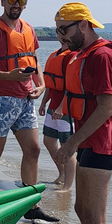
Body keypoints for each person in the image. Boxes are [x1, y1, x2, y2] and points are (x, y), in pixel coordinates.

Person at [0, 0, 56, 222]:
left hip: (25, 99)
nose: (16, 5)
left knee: (34, 149)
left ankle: (31, 206)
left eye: (21, 1)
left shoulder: (28, 28)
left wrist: (41, 85)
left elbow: (34, 59)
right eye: (12, 1)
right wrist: (8, 76)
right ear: (3, 1)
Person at [52, 2, 112, 224]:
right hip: (86, 142)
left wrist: (71, 144)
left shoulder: (102, 56)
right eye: (57, 31)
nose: (61, 37)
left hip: (101, 144)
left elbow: (106, 107)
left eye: (64, 30)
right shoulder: (83, 54)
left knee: (94, 216)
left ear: (84, 24)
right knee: (82, 210)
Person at [37, 32, 76, 192]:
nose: (62, 37)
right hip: (53, 105)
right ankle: (61, 174)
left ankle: (67, 185)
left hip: (66, 108)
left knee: (67, 146)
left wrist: (61, 107)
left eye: (65, 33)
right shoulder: (55, 55)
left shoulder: (71, 56)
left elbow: (71, 85)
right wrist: (43, 103)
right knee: (48, 141)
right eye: (60, 33)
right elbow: (50, 82)